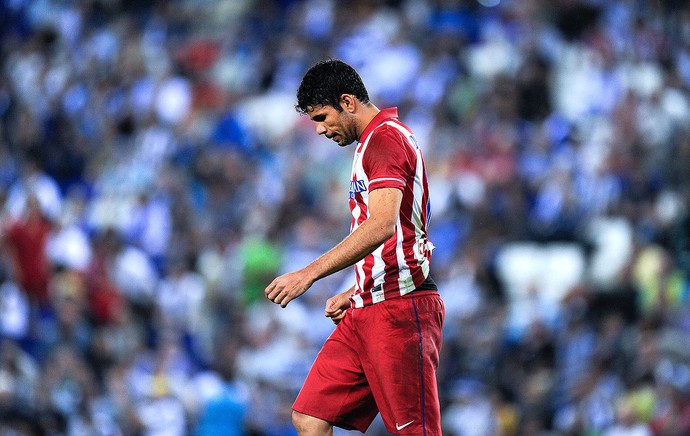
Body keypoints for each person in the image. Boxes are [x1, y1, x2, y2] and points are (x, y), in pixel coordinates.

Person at [265, 59, 445, 435]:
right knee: (311, 417)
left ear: (348, 102)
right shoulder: (375, 141)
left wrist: (308, 274)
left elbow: (381, 224)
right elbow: (401, 231)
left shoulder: (384, 139)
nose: (319, 129)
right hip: (370, 303)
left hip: (400, 310)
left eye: (321, 116)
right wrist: (357, 288)